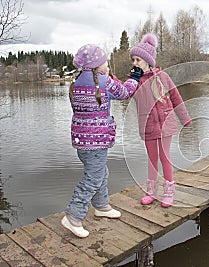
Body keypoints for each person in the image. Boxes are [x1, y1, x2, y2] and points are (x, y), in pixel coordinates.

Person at [62, 44, 141, 238]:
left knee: (100, 172)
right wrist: (135, 77)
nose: (107, 64)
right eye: (105, 61)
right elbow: (125, 92)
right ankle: (73, 216)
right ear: (98, 65)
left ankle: (101, 206)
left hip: (82, 142)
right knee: (93, 177)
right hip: (96, 142)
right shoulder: (103, 82)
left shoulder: (76, 82)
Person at [130, 33, 192, 208]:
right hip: (148, 125)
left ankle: (169, 191)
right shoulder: (135, 81)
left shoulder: (163, 77)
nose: (134, 63)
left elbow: (176, 97)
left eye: (138, 60)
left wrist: (184, 119)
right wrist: (116, 81)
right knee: (152, 158)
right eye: (133, 60)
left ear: (148, 61)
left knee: (165, 157)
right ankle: (152, 192)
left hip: (166, 124)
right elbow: (127, 93)